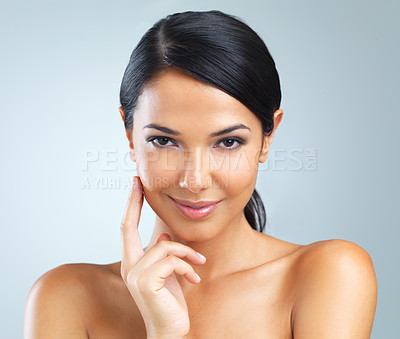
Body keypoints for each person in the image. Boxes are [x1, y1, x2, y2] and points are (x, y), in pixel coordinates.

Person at [24, 10, 378, 338]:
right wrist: (163, 332)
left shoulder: (329, 275)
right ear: (130, 136)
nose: (195, 180)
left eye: (228, 142)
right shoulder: (65, 297)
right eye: (164, 140)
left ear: (268, 138)